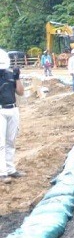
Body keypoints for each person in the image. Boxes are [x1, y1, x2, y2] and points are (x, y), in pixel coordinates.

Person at [0, 49, 25, 184]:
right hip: (0, 110)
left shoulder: (10, 74)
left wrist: (17, 78)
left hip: (12, 108)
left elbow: (20, 92)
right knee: (1, 144)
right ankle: (2, 172)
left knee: (11, 141)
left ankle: (10, 169)